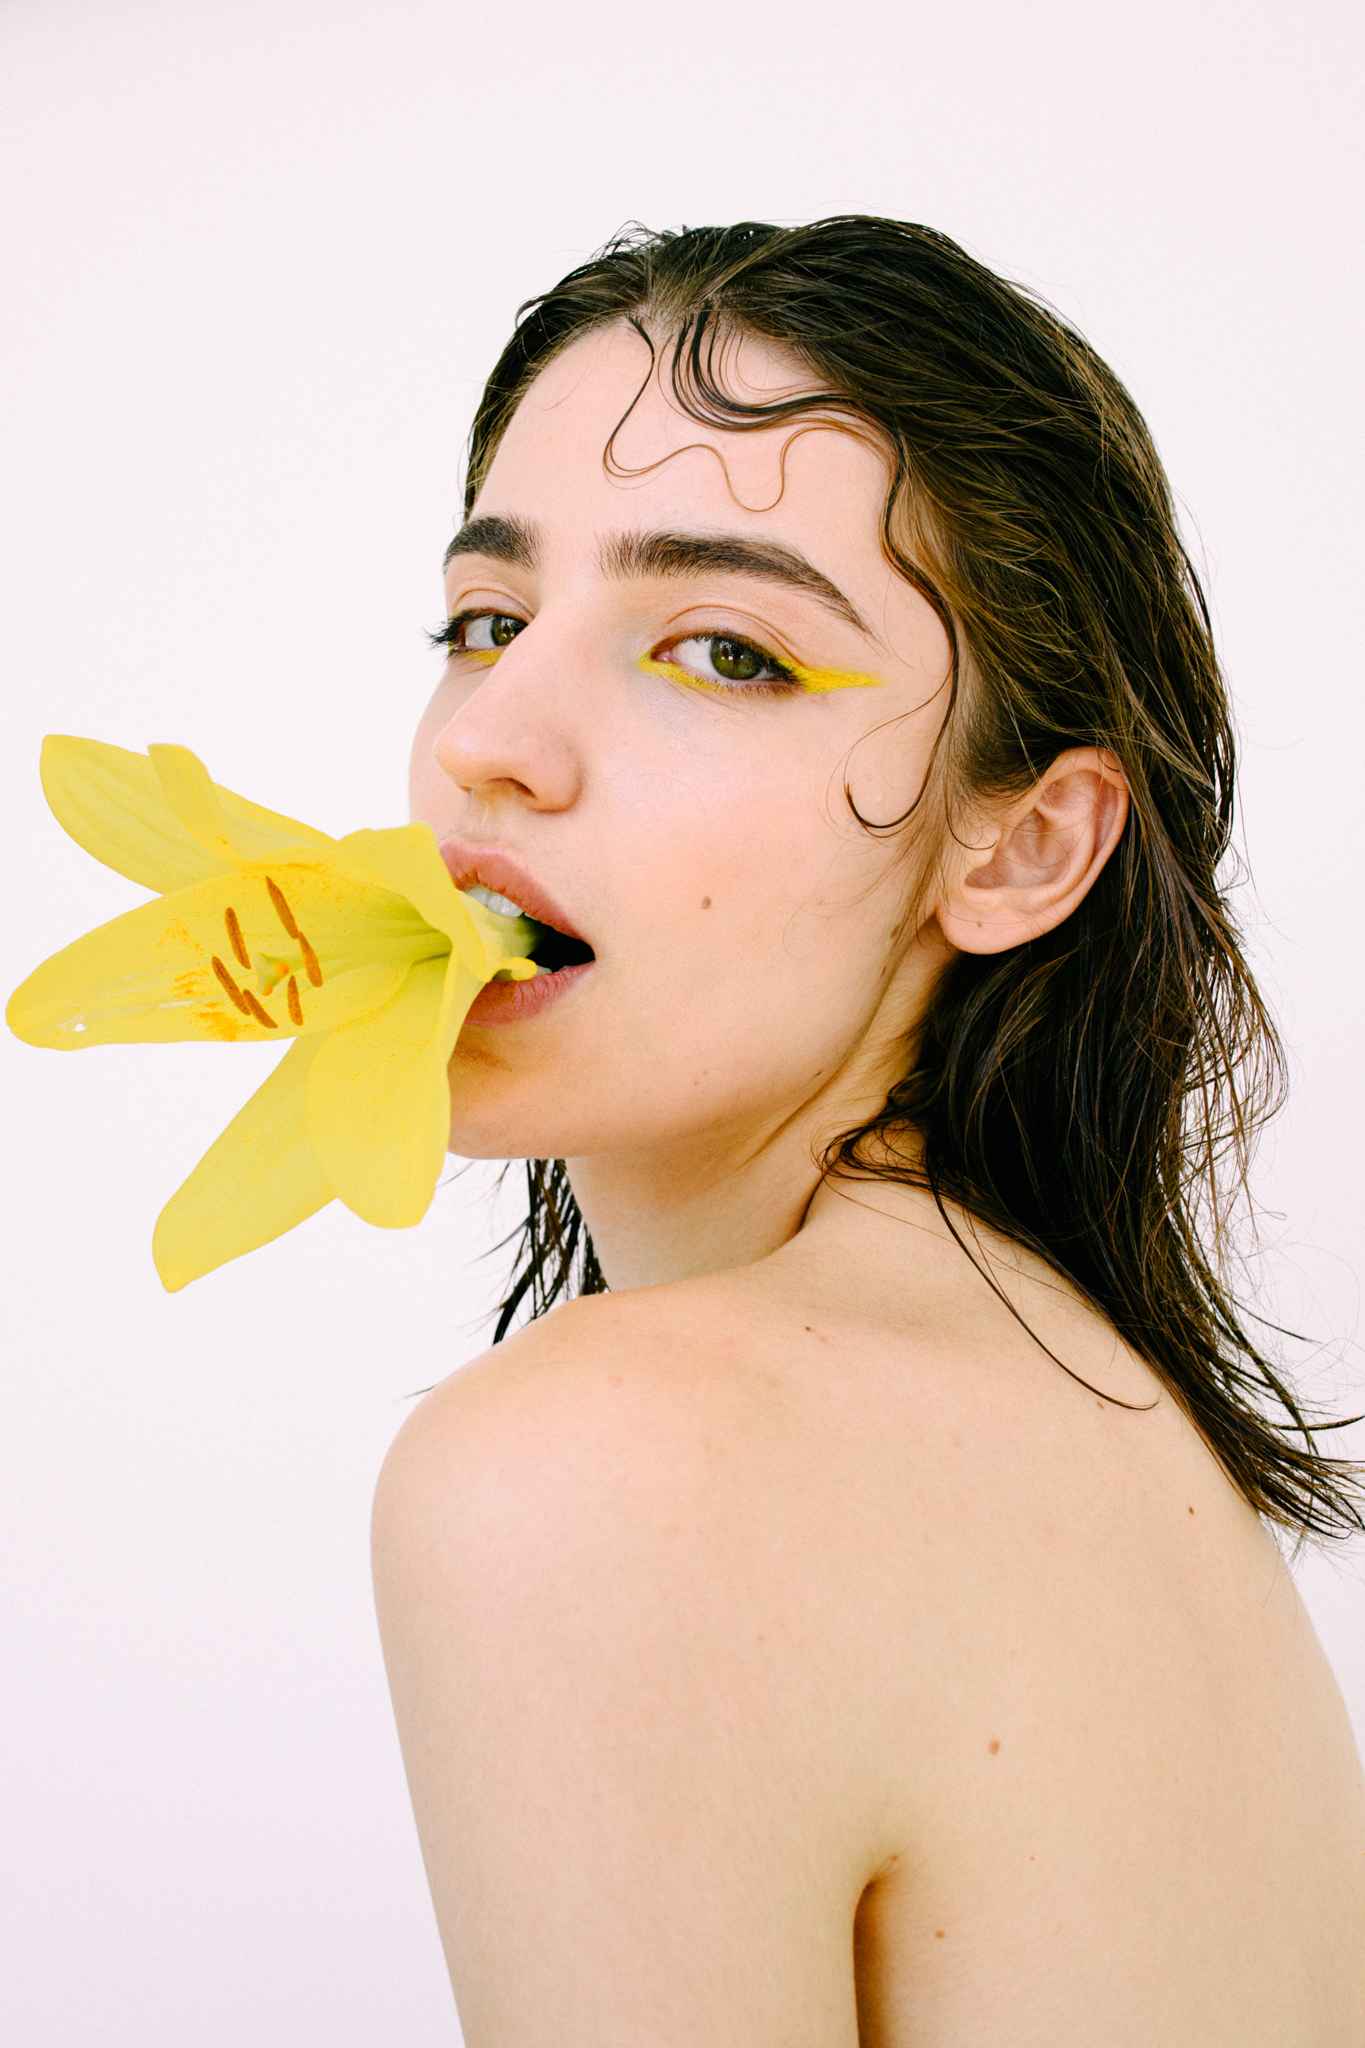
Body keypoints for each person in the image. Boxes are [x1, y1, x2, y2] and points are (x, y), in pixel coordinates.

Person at [371, 219, 1365, 2044]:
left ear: (1023, 845)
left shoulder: (611, 1460)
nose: (489, 739)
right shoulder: (1108, 1419)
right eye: (487, 622)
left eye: (724, 652)